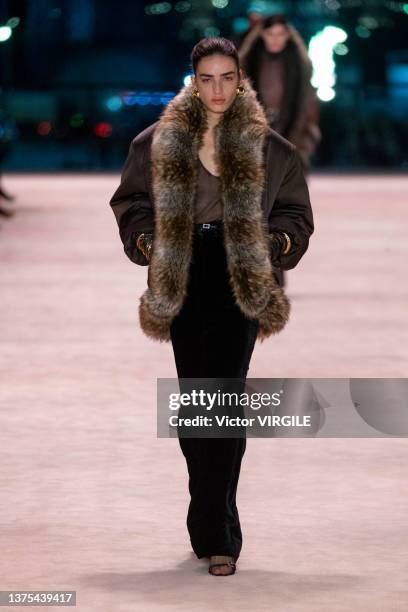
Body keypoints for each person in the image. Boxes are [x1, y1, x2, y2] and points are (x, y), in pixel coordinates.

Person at [109, 37, 314, 576]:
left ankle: (220, 532)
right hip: (183, 273)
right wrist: (150, 242)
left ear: (240, 78)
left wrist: (271, 245)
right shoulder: (157, 142)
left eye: (227, 77)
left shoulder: (272, 148)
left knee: (223, 397)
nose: (218, 88)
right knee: (195, 400)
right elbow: (129, 201)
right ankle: (208, 515)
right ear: (193, 81)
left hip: (239, 274)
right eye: (208, 78)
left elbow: (295, 212)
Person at [237, 14, 320, 287]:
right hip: (253, 144)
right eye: (270, 34)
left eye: (280, 35)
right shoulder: (248, 63)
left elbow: (307, 110)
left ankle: (276, 270)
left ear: (288, 36)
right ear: (261, 35)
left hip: (290, 144)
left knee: (283, 211)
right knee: (254, 211)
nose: (275, 40)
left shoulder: (299, 65)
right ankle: (263, 273)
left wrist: (298, 147)